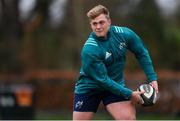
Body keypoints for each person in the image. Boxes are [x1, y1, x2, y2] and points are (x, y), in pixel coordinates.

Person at [73, 4, 158, 120]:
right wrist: (130, 94)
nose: (98, 27)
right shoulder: (89, 50)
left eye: (101, 22)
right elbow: (103, 80)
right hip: (89, 87)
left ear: (109, 21)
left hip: (115, 85)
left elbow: (141, 52)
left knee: (128, 118)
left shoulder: (124, 34)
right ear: (91, 25)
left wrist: (152, 78)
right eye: (94, 24)